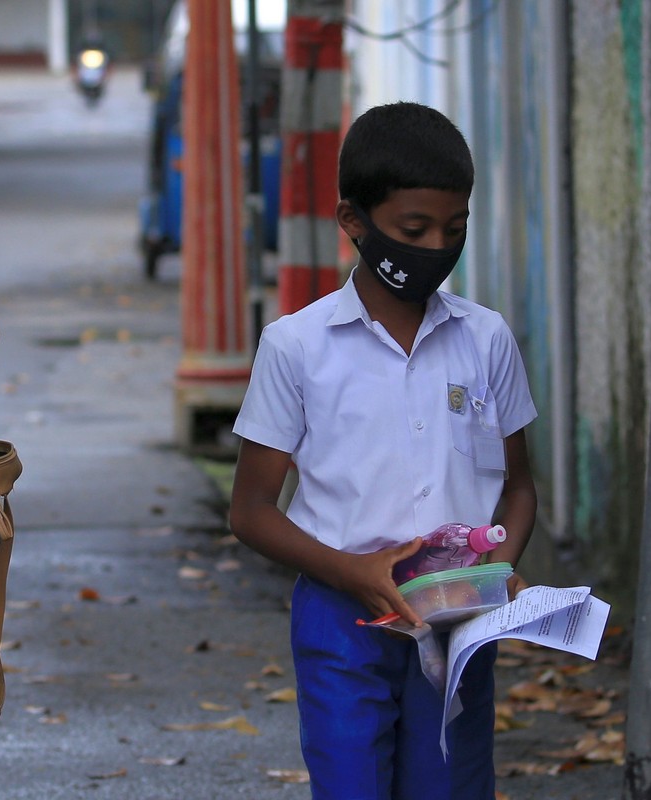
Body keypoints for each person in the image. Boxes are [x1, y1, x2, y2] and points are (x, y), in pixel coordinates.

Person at [229, 102, 538, 799]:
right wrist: (354, 570)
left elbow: (520, 487)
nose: (435, 245)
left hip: (459, 614)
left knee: (449, 785)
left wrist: (499, 569)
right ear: (352, 223)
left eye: (453, 229)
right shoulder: (296, 348)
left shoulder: (486, 340)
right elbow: (250, 511)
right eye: (413, 229)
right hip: (341, 618)